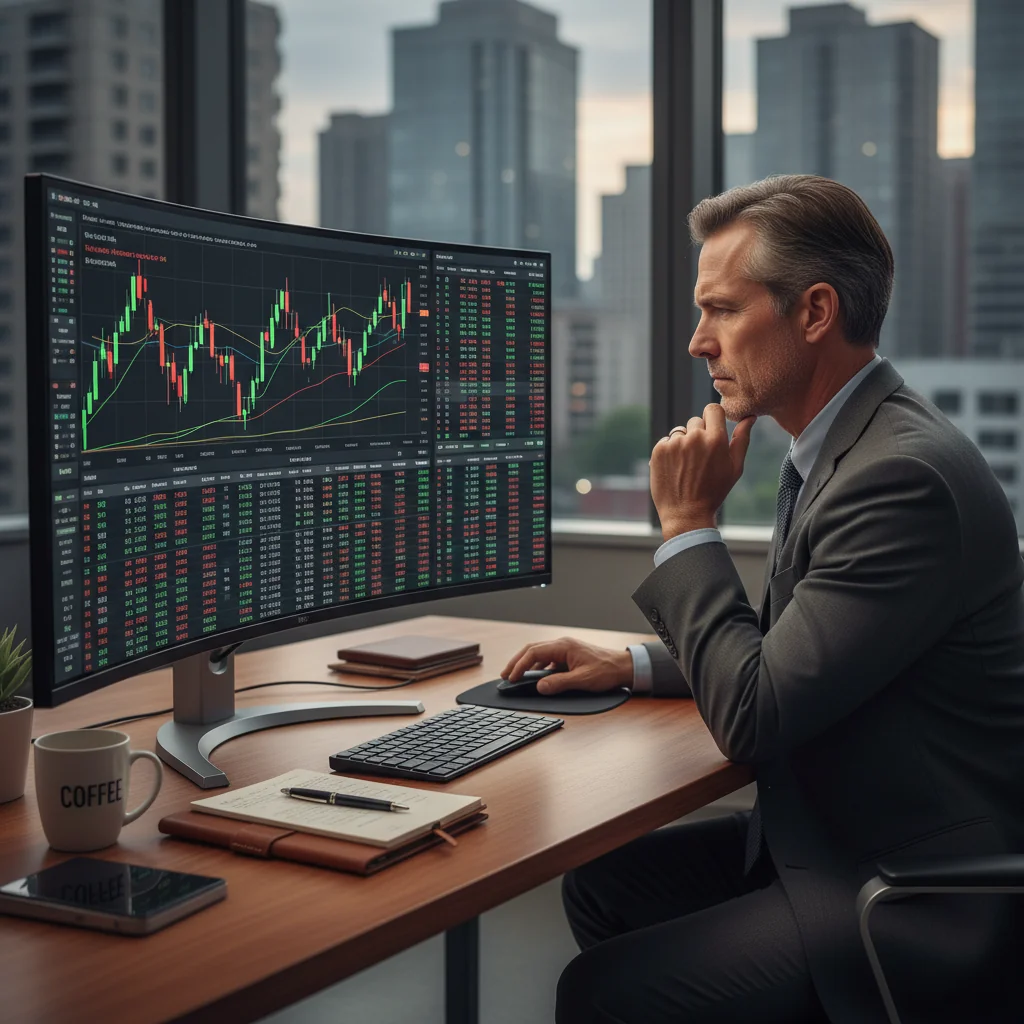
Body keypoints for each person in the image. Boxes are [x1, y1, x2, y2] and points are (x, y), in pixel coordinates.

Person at [503, 175, 1024, 1023]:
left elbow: (757, 712)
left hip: (911, 890)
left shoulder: (899, 477)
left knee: (603, 995)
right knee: (604, 886)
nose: (697, 342)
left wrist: (686, 524)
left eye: (722, 310)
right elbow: (804, 648)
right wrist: (634, 663)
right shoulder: (849, 445)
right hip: (832, 840)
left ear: (814, 312)